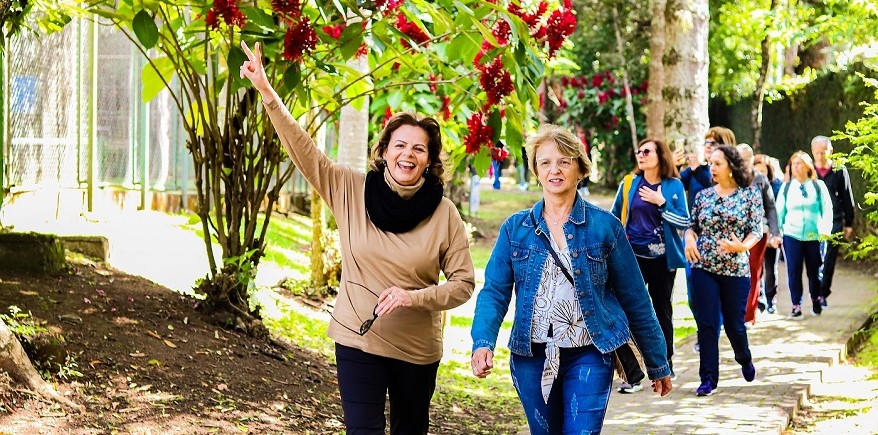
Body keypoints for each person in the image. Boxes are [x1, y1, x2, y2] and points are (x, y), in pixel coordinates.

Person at [240, 41, 476, 434]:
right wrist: (267, 92)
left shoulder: (444, 213)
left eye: (419, 149)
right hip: (357, 337)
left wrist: (413, 297)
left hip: (417, 349)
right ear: (384, 152)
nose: (408, 154)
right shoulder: (351, 189)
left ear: (429, 160)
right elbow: (305, 152)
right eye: (399, 145)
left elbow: (464, 284)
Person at [470, 124, 672, 434]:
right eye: (545, 162)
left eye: (564, 161)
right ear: (536, 171)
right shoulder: (515, 228)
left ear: (580, 169)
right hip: (531, 355)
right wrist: (483, 342)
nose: (555, 170)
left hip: (589, 352)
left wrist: (657, 363)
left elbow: (636, 299)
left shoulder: (605, 227)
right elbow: (495, 292)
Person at [610, 138, 689, 392]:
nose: (641, 155)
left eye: (647, 151)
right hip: (632, 258)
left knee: (661, 310)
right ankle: (633, 372)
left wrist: (661, 202)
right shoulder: (629, 183)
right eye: (639, 151)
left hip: (663, 261)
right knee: (627, 311)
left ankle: (665, 364)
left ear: (660, 156)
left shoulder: (673, 185)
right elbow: (614, 218)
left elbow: (684, 222)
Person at [684, 145, 763, 396]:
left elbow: (756, 230)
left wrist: (743, 246)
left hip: (735, 270)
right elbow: (692, 226)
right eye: (710, 163)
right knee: (707, 323)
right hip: (703, 266)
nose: (712, 168)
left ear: (731, 167)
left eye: (717, 163)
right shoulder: (703, 196)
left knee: (734, 326)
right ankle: (708, 379)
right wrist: (689, 239)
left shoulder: (750, 195)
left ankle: (744, 358)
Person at [776, 151, 833, 318]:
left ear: (808, 167)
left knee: (814, 271)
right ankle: (796, 305)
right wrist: (778, 233)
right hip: (791, 235)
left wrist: (825, 232)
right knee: (794, 271)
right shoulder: (787, 188)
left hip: (814, 236)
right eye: (793, 164)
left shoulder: (818, 186)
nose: (796, 167)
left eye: (799, 163)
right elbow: (780, 212)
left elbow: (827, 210)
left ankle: (815, 298)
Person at [736, 144, 781, 326]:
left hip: (758, 232)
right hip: (735, 231)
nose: (743, 162)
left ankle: (749, 315)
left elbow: (770, 207)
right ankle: (734, 313)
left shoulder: (760, 179)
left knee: (753, 271)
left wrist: (775, 232)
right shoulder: (729, 178)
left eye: (746, 158)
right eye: (740, 158)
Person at [810, 136, 856, 308]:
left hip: (835, 220)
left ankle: (822, 293)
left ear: (831, 151)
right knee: (815, 258)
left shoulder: (839, 170)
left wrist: (849, 222)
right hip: (814, 220)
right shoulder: (809, 170)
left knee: (829, 258)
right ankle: (815, 290)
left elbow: (847, 196)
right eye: (817, 153)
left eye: (823, 152)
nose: (820, 156)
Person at [753, 154, 784, 313]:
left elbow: (776, 211)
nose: (760, 174)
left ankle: (771, 300)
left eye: (763, 171)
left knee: (771, 269)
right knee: (756, 269)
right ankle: (760, 300)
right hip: (755, 234)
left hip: (771, 232)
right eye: (756, 170)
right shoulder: (749, 185)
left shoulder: (777, 187)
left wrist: (776, 233)